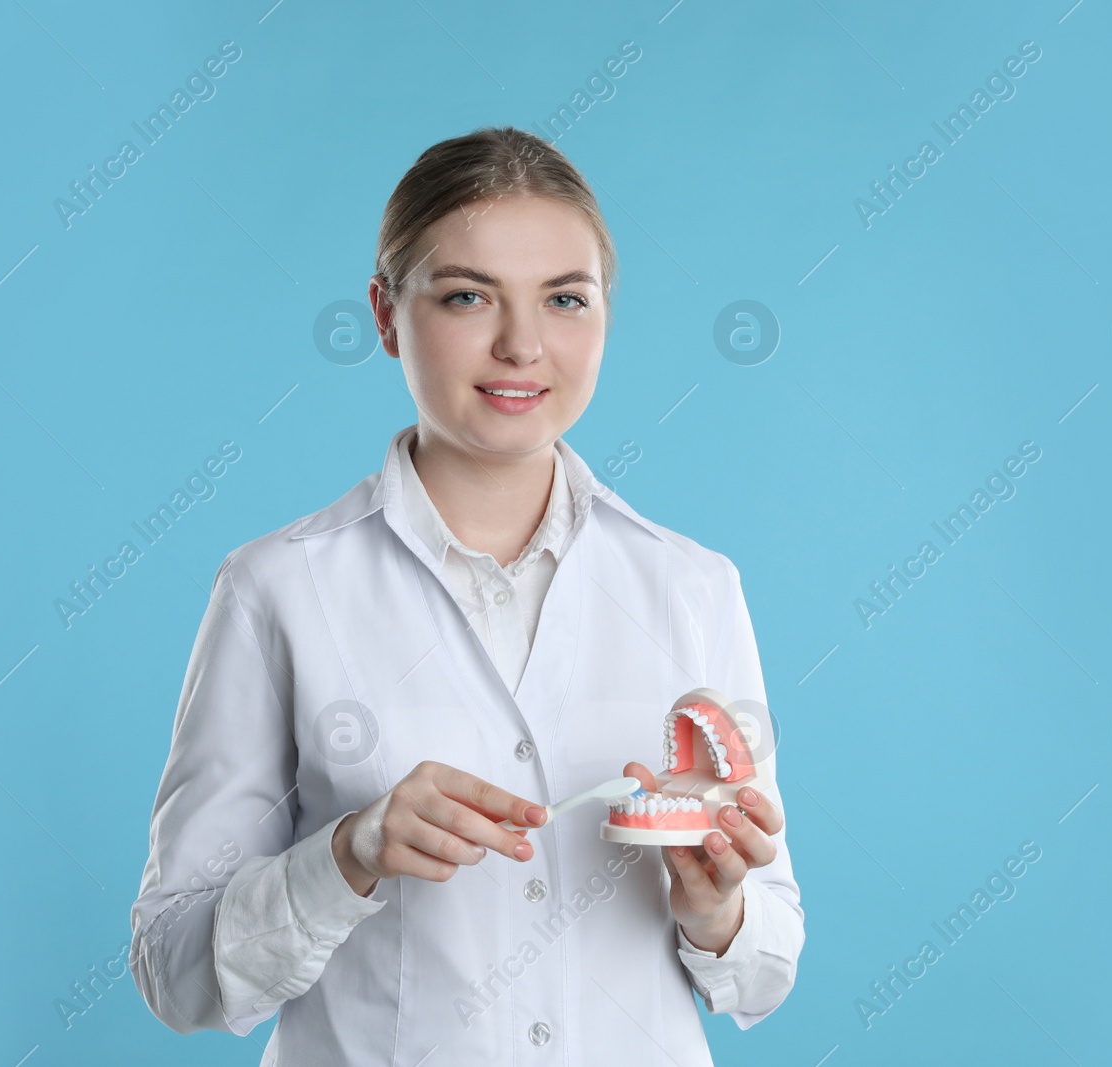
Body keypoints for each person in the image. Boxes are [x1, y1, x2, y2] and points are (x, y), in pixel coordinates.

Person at [129, 125, 803, 1065]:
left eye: (565, 298)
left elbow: (767, 972)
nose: (523, 344)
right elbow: (173, 969)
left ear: (607, 310)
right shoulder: (275, 589)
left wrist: (715, 905)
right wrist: (349, 855)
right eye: (466, 296)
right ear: (384, 313)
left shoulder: (693, 586)